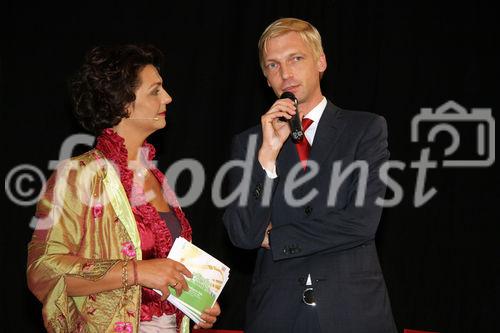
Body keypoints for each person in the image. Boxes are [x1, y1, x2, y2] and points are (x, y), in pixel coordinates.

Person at [27, 44, 220, 333]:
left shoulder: (159, 178)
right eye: (155, 91)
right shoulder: (77, 175)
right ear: (123, 104)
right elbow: (42, 269)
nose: (168, 97)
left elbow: (163, 270)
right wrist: (136, 271)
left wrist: (195, 301)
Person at [223, 18, 397, 332]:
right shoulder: (250, 142)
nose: (285, 74)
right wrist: (267, 158)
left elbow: (361, 222)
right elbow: (244, 235)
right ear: (266, 78)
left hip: (353, 310)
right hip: (276, 313)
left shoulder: (365, 129)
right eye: (273, 65)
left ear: (321, 61)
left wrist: (277, 239)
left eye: (296, 58)